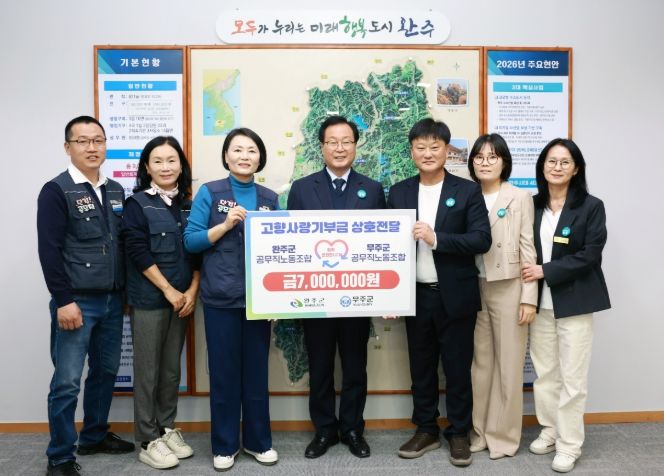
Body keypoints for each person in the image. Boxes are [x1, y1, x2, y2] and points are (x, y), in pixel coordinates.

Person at [387, 118, 491, 467]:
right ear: (412, 152)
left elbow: (481, 239)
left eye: (435, 147)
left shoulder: (467, 191)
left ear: (448, 151)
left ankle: (459, 432)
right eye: (421, 147)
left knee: (457, 369)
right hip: (415, 296)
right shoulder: (399, 192)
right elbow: (387, 246)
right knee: (421, 367)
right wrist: (389, 295)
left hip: (455, 296)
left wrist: (437, 239)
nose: (428, 153)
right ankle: (426, 428)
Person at [37, 116, 135, 476]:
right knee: (66, 382)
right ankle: (60, 457)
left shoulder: (115, 190)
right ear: (68, 147)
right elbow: (49, 250)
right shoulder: (56, 190)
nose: (92, 147)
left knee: (106, 372)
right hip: (76, 301)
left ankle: (93, 436)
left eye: (98, 140)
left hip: (112, 300)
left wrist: (125, 293)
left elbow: (121, 245)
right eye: (82, 141)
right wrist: (64, 300)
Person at [287, 115, 386, 459]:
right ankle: (325, 430)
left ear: (356, 146)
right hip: (316, 296)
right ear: (322, 147)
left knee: (356, 366)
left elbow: (382, 246)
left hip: (357, 296)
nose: (340, 148)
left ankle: (353, 429)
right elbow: (292, 245)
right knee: (320, 367)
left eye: (346, 141)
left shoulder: (372, 189)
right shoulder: (302, 188)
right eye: (333, 141)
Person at [183, 127, 279, 471]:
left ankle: (258, 442)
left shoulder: (270, 198)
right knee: (224, 375)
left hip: (259, 301)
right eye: (237, 149)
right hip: (221, 299)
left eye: (251, 150)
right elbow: (191, 241)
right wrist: (224, 225)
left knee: (256, 375)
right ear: (226, 156)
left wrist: (278, 301)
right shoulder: (210, 192)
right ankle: (224, 446)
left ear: (260, 157)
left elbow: (281, 251)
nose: (244, 156)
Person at [522, 138, 610, 473]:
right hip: (539, 303)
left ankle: (569, 444)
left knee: (573, 378)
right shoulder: (532, 205)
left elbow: (591, 254)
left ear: (576, 169)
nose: (556, 167)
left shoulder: (591, 206)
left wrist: (546, 270)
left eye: (564, 162)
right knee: (545, 374)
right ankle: (550, 429)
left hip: (575, 301)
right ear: (542, 166)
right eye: (551, 161)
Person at [122, 136, 200, 469]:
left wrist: (192, 291)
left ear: (181, 165)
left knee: (170, 371)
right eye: (158, 161)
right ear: (147, 167)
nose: (165, 167)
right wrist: (169, 290)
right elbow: (137, 251)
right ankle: (146, 438)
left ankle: (166, 429)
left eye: (172, 160)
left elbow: (197, 252)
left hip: (183, 301)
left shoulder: (190, 205)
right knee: (148, 371)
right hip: (151, 300)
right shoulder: (137, 204)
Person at [466, 134, 537, 459]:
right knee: (481, 366)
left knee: (508, 366)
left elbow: (528, 249)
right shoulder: (467, 194)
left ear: (504, 162)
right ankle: (480, 431)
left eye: (492, 157)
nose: (485, 162)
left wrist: (528, 297)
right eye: (479, 157)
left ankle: (504, 437)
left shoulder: (519, 197)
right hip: (474, 286)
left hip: (509, 286)